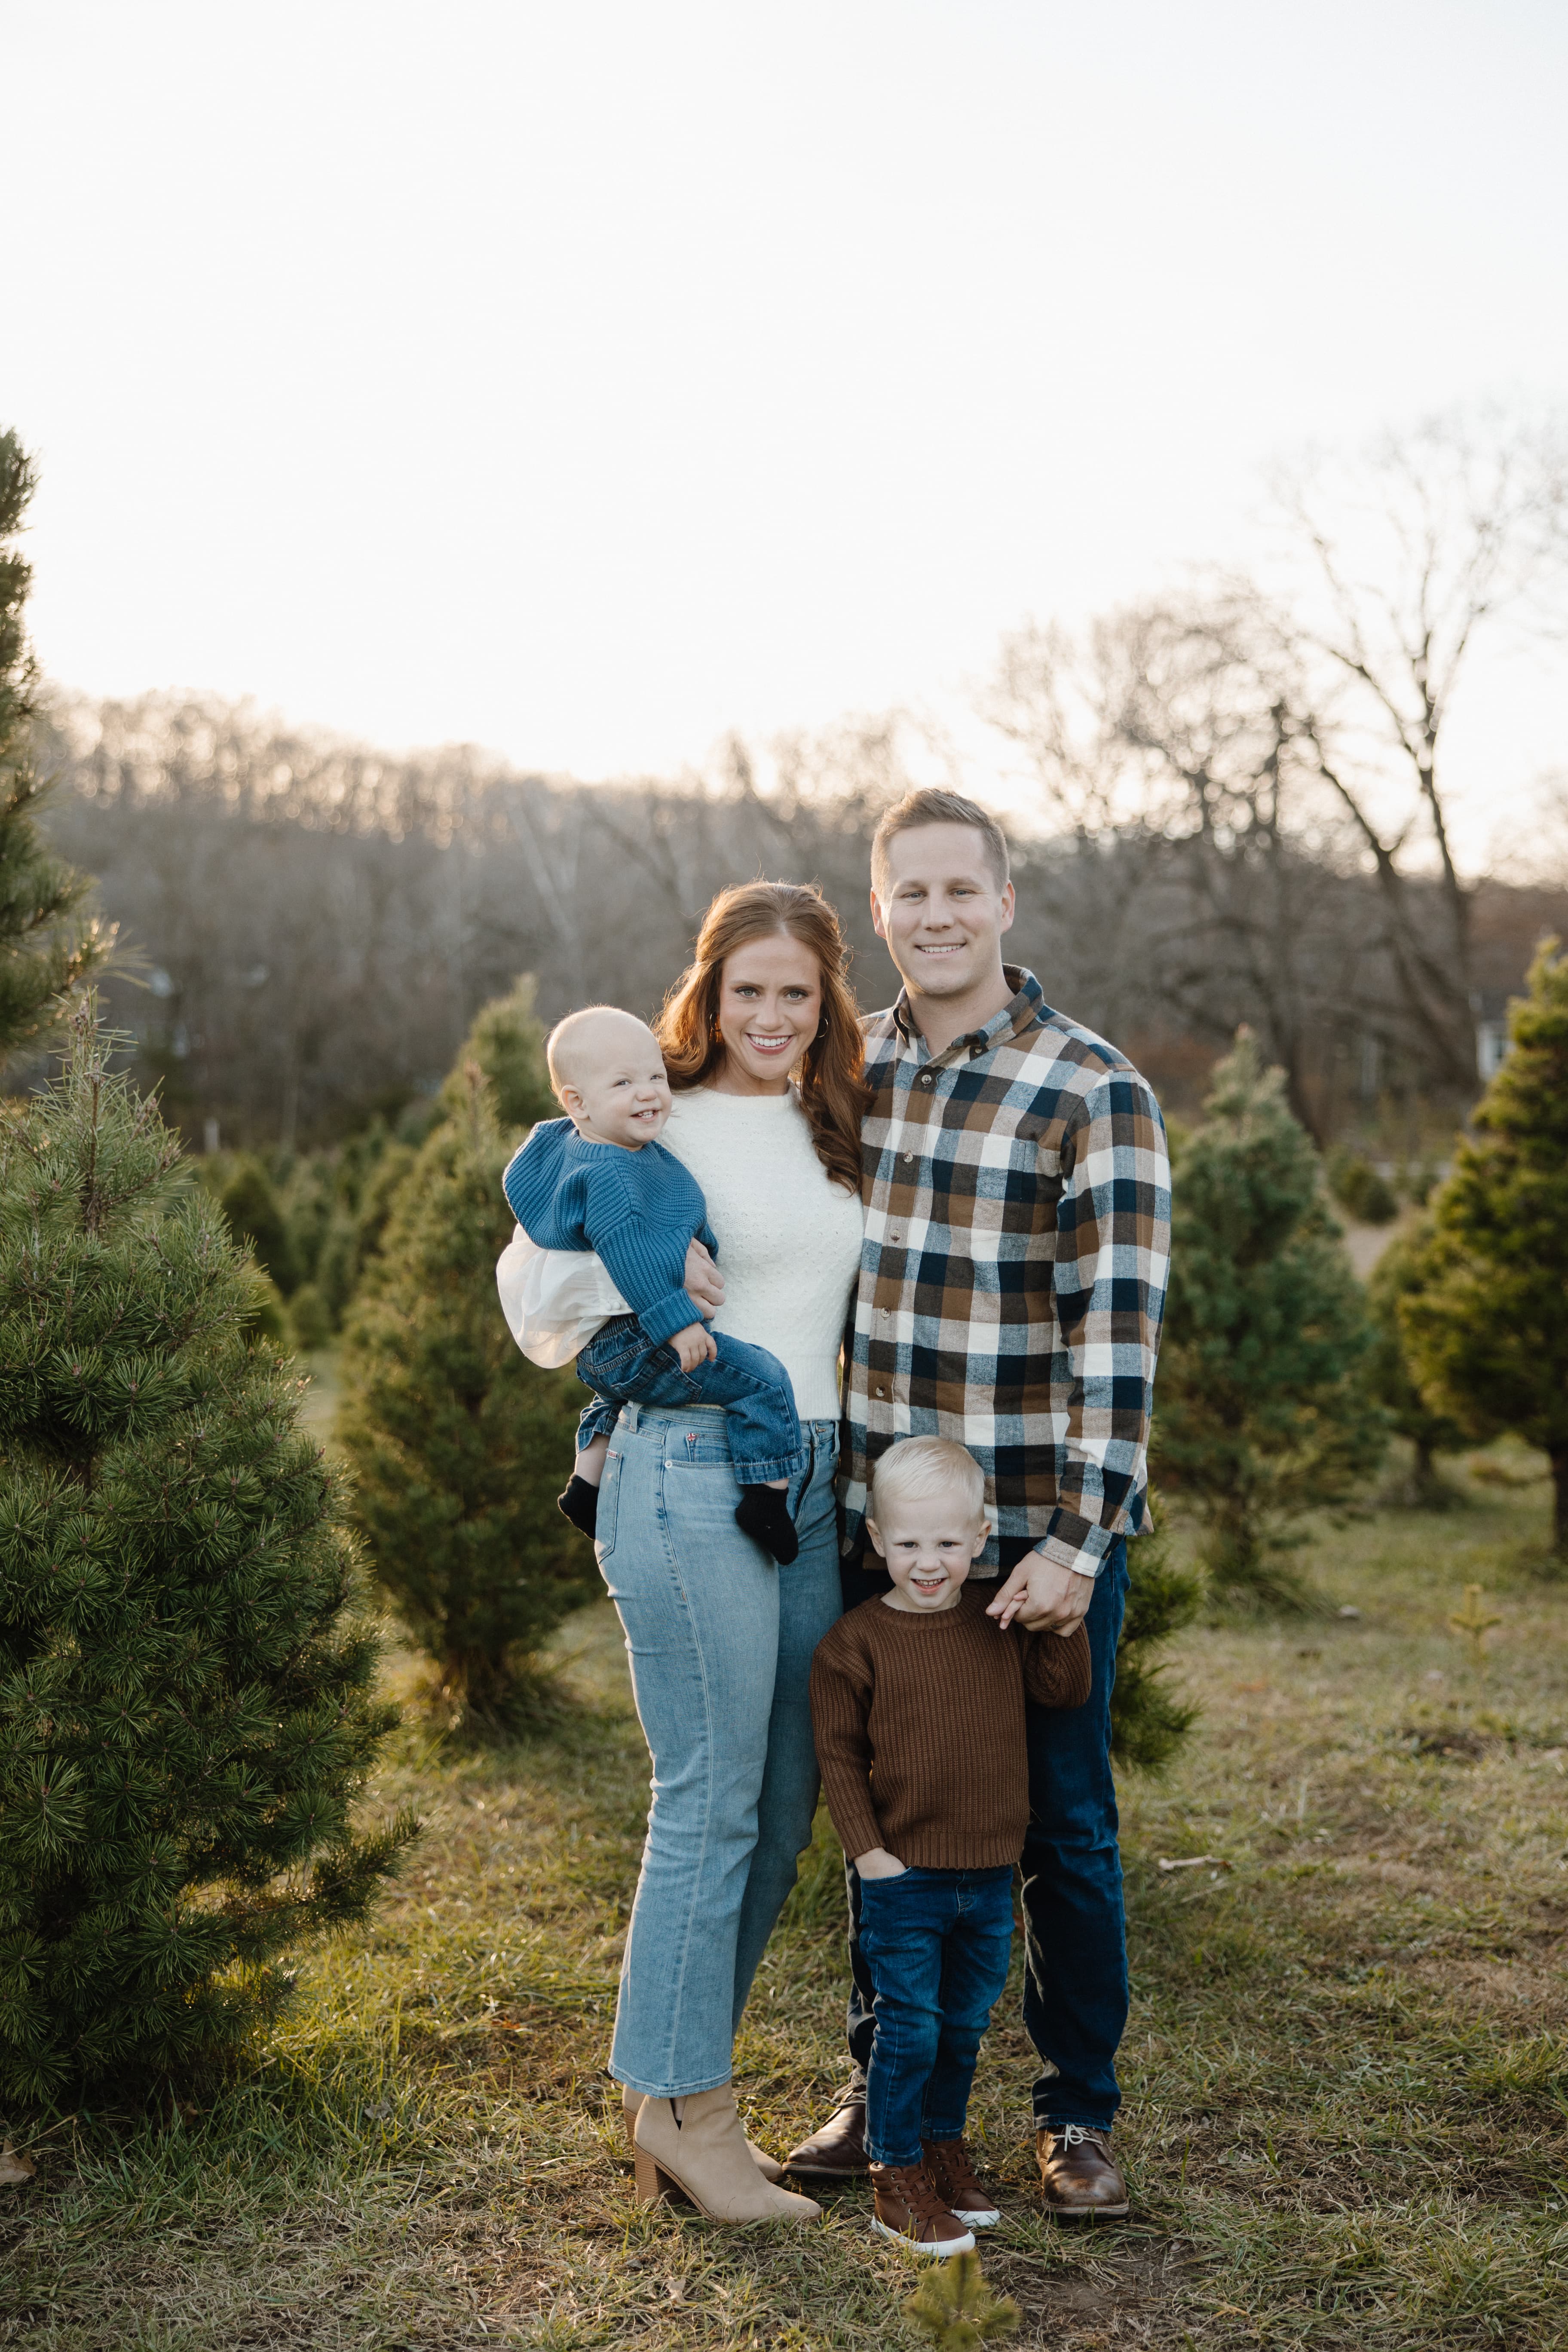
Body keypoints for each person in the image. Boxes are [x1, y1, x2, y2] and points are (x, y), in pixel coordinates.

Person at [784, 789, 1170, 2221]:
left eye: (961, 889)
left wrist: (1077, 1539)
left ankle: (1073, 2115)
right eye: (908, 892)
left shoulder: (1089, 1087)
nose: (934, 915)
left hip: (1026, 1538)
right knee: (886, 1813)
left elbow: (1116, 1336)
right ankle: (878, 2088)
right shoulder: (842, 1072)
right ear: (875, 907)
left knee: (1059, 1827)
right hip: (887, 1537)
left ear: (1004, 904)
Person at [586, 882, 867, 2226]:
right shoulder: (652, 1116)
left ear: (825, 1008)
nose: (769, 1014)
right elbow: (533, 1280)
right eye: (746, 989)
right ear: (708, 996)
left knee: (788, 1793)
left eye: (794, 993)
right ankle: (685, 2112)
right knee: (710, 1797)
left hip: (812, 1477)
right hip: (693, 1467)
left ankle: (685, 2098)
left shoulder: (834, 1124)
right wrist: (626, 1285)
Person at [810, 1436, 1090, 2257]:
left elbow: (1061, 1689)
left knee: (965, 2024)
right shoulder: (854, 1644)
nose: (926, 1563)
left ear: (979, 1537)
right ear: (875, 1538)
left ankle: (941, 2149)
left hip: (989, 1872)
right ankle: (894, 2177)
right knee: (911, 2029)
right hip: (902, 1875)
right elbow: (837, 1755)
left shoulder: (995, 1620)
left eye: (945, 1543)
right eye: (906, 1543)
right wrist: (870, 1857)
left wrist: (1060, 1622)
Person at [501, 1003, 803, 1565]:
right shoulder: (616, 1172)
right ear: (577, 1102)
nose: (648, 1093)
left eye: (655, 1078)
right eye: (623, 1083)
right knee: (764, 1380)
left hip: (604, 1352)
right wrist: (678, 1324)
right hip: (648, 1336)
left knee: (614, 1395)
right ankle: (766, 1500)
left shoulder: (582, 1147)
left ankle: (585, 1486)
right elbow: (631, 1256)